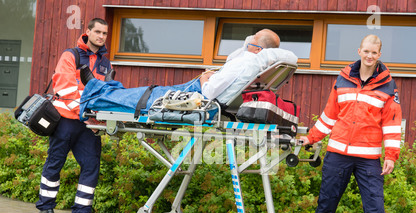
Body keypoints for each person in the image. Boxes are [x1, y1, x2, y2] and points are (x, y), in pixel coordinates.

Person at [298, 35, 402, 213]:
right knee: (326, 207)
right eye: (365, 51)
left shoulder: (388, 86)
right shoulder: (343, 78)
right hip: (337, 154)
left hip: (368, 160)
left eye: (374, 52)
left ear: (379, 55)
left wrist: (391, 156)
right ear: (359, 51)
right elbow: (330, 114)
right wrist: (311, 137)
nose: (369, 55)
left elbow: (392, 124)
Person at [79, 29, 294, 116]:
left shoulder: (246, 62)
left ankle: (93, 90)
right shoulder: (254, 64)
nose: (249, 38)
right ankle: (104, 86)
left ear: (257, 45)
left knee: (145, 97)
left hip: (197, 96)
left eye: (253, 36)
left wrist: (205, 78)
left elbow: (210, 92)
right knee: (144, 92)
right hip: (198, 96)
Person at [36, 18, 114, 213]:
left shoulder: (106, 63)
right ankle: (45, 207)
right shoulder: (70, 55)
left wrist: (104, 117)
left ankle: (81, 212)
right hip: (66, 121)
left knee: (91, 166)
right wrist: (86, 112)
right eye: (97, 32)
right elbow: (66, 88)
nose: (101, 36)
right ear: (88, 32)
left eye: (104, 34)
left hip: (89, 125)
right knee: (55, 163)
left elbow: (106, 93)